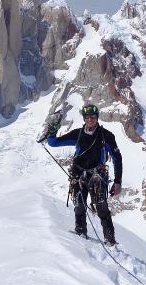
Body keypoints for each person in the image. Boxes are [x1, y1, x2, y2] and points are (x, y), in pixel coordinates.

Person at [46, 104, 123, 245]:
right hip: (79, 176)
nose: (90, 120)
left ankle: (110, 240)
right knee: (79, 206)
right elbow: (53, 143)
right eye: (87, 117)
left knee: (101, 208)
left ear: (97, 118)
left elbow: (117, 158)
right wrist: (53, 130)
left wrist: (117, 181)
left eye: (92, 117)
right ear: (84, 118)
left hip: (97, 176)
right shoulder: (78, 134)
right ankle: (80, 233)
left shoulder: (106, 136)